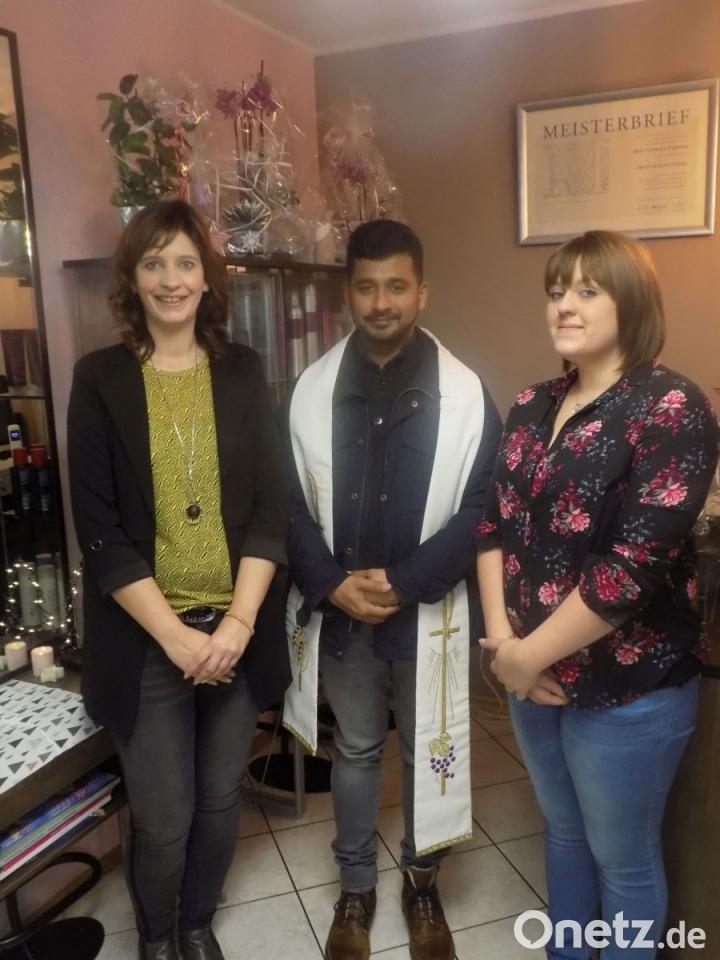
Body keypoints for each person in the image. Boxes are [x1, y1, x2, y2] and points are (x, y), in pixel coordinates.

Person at [477, 230, 720, 960]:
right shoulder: (532, 403)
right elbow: (491, 524)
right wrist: (506, 647)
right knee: (564, 833)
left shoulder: (671, 406)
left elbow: (631, 569)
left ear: (632, 302)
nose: (565, 305)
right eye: (557, 291)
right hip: (532, 677)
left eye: (588, 290)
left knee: (623, 858)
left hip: (628, 685)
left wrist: (523, 659)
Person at [67, 200, 290, 960]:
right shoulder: (99, 379)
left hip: (235, 634)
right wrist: (175, 638)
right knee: (164, 817)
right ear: (132, 277)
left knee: (221, 798)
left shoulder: (243, 372)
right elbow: (100, 532)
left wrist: (236, 626)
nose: (171, 279)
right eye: (154, 262)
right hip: (146, 643)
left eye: (186, 263)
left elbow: (272, 508)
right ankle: (157, 937)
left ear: (206, 277)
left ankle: (196, 925)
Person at [284, 219, 502, 960]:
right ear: (348, 293)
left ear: (421, 292)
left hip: (425, 609)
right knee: (354, 750)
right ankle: (356, 889)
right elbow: (284, 501)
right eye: (367, 287)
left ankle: (420, 884)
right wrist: (330, 584)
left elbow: (483, 508)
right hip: (345, 614)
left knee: (425, 748)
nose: (382, 302)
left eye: (397, 286)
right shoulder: (309, 392)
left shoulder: (466, 395)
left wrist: (407, 583)